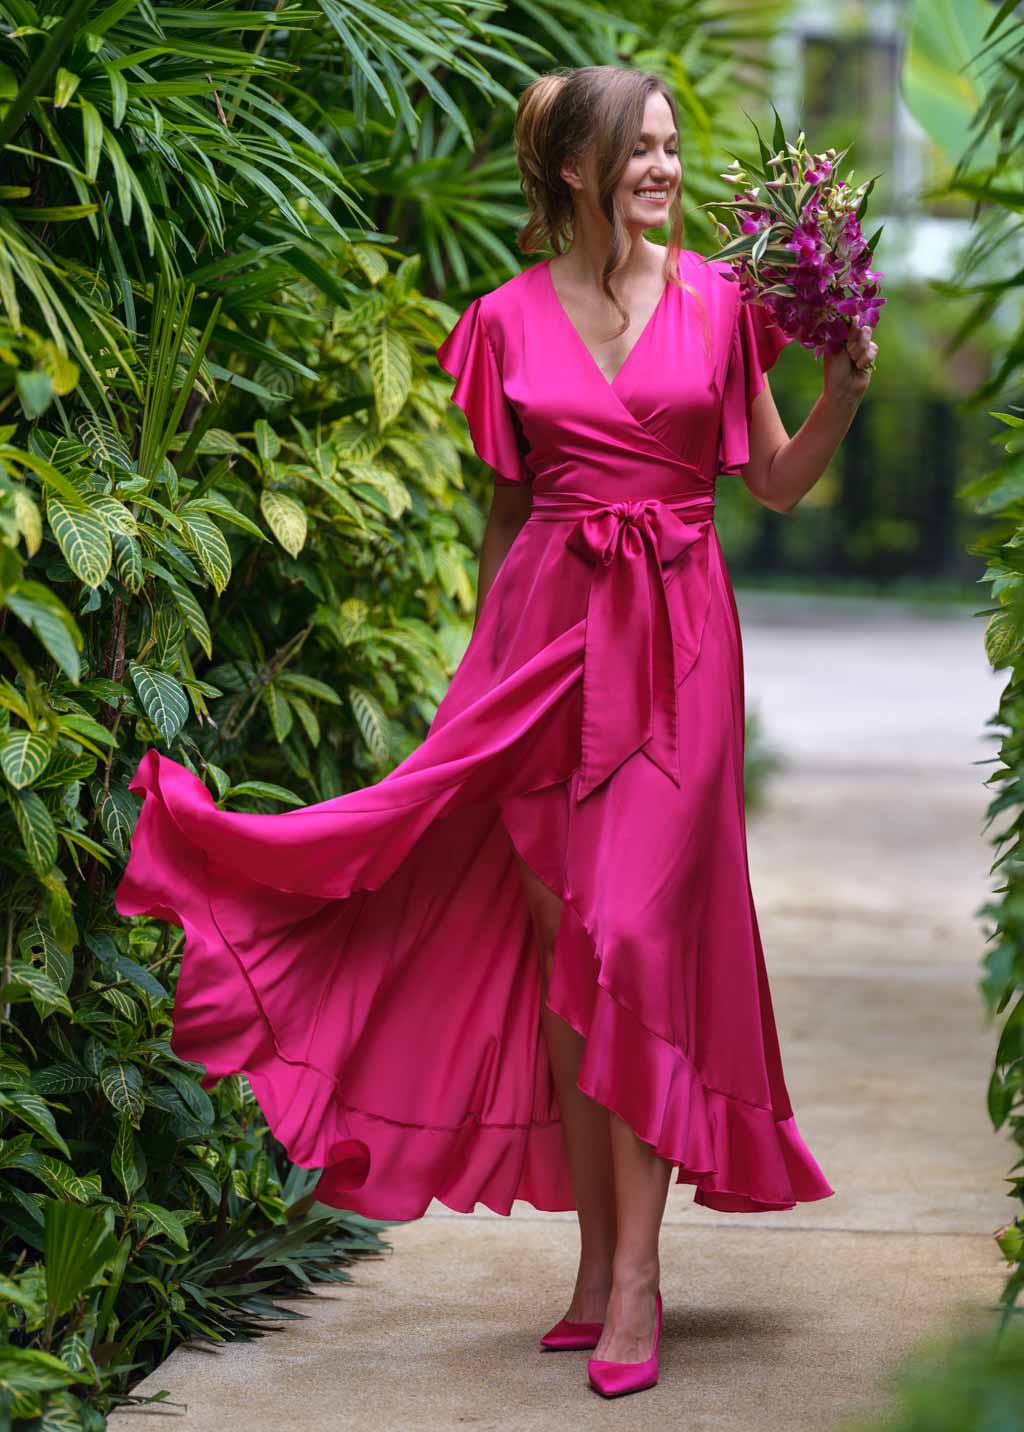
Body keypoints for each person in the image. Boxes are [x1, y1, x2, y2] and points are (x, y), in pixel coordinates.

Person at [116, 64, 876, 1400]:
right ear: (575, 169)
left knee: (635, 939)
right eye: (637, 149)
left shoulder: (722, 303)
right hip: (543, 656)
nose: (663, 168)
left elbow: (773, 482)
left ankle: (642, 1279)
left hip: (681, 651)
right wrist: (479, 693)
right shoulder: (503, 323)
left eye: (670, 149)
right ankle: (596, 1265)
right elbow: (507, 526)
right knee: (567, 960)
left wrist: (846, 389)